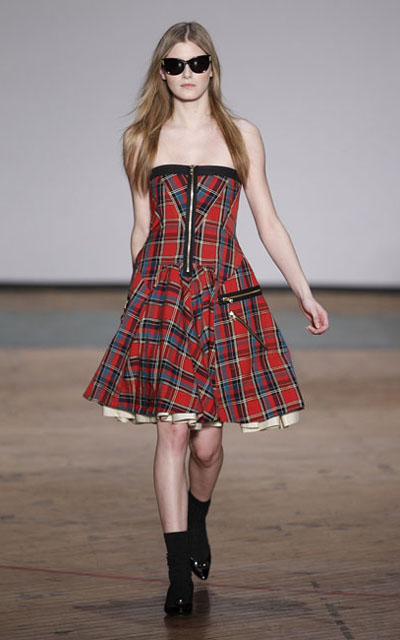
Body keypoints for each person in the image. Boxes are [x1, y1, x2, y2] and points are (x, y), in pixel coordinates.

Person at [82, 21, 329, 616]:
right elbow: (142, 226)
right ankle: (177, 572)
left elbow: (267, 220)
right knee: (172, 431)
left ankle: (197, 522)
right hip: (163, 294)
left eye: (197, 63)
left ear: (212, 67)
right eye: (175, 65)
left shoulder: (241, 135)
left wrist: (304, 292)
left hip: (224, 295)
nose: (186, 74)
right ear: (161, 72)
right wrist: (137, 299)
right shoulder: (140, 138)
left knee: (208, 447)